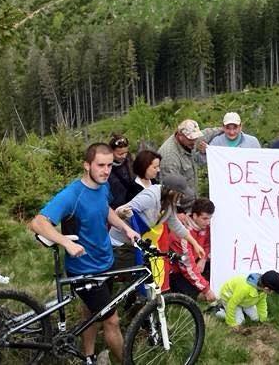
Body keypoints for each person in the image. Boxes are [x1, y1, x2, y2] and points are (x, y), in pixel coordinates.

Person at [28, 143, 139, 365]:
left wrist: (124, 227)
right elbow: (38, 222)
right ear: (87, 165)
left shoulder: (102, 186)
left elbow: (105, 209)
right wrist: (65, 243)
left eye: (109, 165)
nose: (106, 171)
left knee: (90, 313)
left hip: (105, 262)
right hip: (84, 269)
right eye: (100, 165)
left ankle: (88, 356)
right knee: (112, 321)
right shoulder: (72, 194)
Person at [110, 175, 206, 290]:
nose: (182, 197)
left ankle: (141, 303)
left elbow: (176, 225)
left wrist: (195, 244)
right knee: (139, 276)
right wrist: (124, 212)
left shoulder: (168, 203)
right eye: (180, 194)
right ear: (171, 192)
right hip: (120, 244)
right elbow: (119, 211)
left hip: (135, 244)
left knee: (146, 277)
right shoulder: (150, 196)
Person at [111, 150, 162, 272]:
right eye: (155, 167)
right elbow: (126, 214)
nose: (158, 170)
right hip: (129, 240)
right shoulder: (133, 189)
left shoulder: (155, 184)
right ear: (144, 166)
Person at [158, 119, 216, 211]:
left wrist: (223, 129)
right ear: (180, 135)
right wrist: (178, 212)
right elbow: (169, 190)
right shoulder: (170, 156)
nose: (194, 142)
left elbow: (208, 133)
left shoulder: (188, 141)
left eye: (195, 138)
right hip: (180, 209)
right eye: (190, 139)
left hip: (192, 205)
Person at [167, 197, 215, 301]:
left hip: (195, 263)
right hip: (177, 271)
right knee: (198, 296)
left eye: (210, 218)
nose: (208, 222)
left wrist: (203, 259)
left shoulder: (205, 227)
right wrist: (206, 290)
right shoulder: (181, 234)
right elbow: (187, 266)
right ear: (194, 215)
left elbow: (207, 244)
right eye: (205, 218)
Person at [214, 270, 279, 327]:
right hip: (229, 298)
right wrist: (231, 323)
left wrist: (263, 319)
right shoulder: (245, 289)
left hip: (246, 300)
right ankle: (220, 311)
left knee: (256, 318)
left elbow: (261, 303)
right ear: (266, 289)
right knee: (240, 322)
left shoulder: (263, 289)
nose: (273, 293)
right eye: (273, 291)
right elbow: (232, 304)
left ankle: (241, 310)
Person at [107, 134, 138, 210]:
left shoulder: (129, 160)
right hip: (116, 208)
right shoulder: (106, 168)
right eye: (120, 154)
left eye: (126, 152)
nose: (124, 156)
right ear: (111, 151)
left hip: (132, 204)